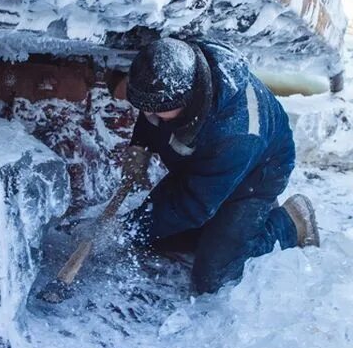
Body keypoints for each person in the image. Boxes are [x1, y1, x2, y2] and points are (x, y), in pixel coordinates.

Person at [121, 37, 319, 295]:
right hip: (206, 166)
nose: (149, 115)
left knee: (215, 279)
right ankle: (230, 230)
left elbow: (194, 205)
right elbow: (152, 110)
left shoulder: (236, 133)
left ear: (187, 100)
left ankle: (290, 222)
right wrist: (140, 146)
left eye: (157, 110)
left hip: (256, 176)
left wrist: (130, 228)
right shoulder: (181, 73)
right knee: (158, 237)